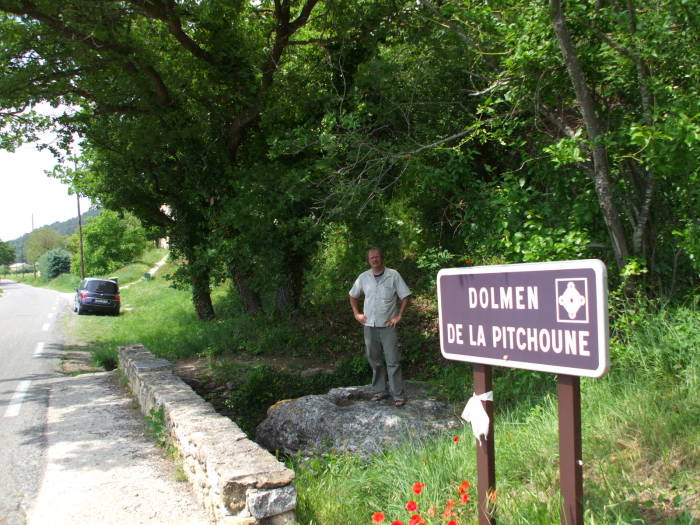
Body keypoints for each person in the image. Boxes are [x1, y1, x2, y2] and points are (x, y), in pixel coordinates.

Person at [349, 248, 411, 407]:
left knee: (393, 360)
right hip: (369, 325)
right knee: (374, 359)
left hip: (388, 325)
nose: (374, 260)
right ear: (369, 260)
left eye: (377, 257)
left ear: (382, 258)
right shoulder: (364, 277)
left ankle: (398, 394)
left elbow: (405, 296)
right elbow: (353, 295)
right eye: (371, 258)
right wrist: (357, 314)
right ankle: (380, 391)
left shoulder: (393, 275)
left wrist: (399, 316)